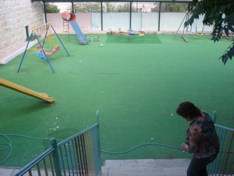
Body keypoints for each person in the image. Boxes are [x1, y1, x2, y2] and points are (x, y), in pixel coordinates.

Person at [176, 101, 220, 176]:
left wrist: (186, 147)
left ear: (189, 115)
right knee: (200, 170)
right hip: (214, 148)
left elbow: (192, 149)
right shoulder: (204, 113)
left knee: (191, 172)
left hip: (205, 155)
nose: (183, 118)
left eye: (183, 116)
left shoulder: (195, 129)